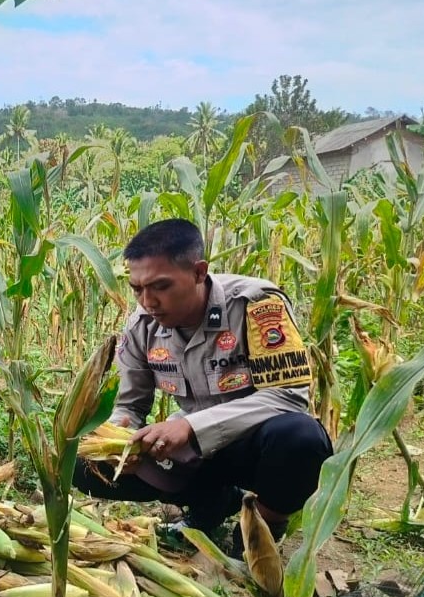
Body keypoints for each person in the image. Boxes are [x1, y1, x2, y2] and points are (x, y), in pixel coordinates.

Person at [74, 218, 332, 546]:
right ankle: (212, 503)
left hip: (253, 445)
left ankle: (259, 532)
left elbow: (287, 396)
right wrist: (119, 442)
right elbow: (129, 406)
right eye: (137, 289)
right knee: (84, 466)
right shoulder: (142, 326)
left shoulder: (255, 305)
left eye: (161, 286)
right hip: (190, 455)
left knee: (301, 438)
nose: (148, 301)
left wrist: (191, 428)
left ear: (199, 272)